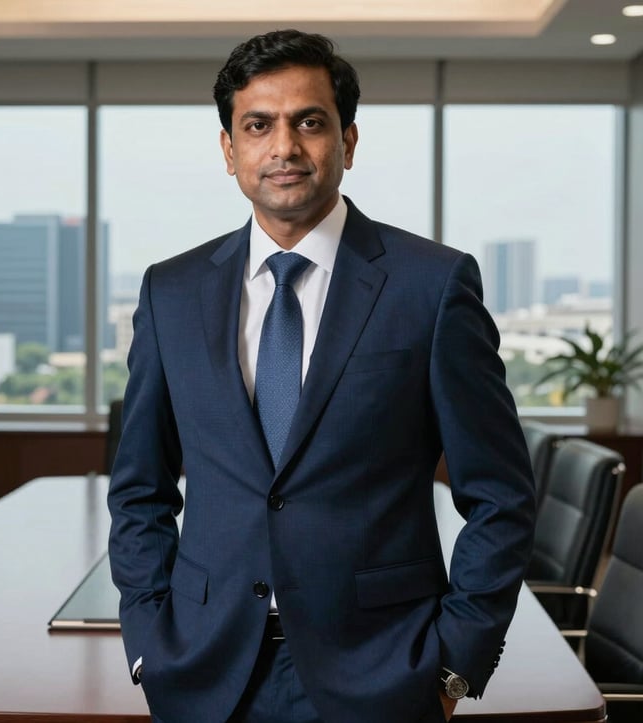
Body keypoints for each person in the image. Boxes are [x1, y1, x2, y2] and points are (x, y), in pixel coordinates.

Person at [108, 29, 535, 723]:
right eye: (258, 125)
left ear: (348, 141)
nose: (284, 147)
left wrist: (455, 664)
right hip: (204, 674)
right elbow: (138, 489)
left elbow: (501, 496)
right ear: (229, 150)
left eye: (309, 122)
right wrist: (148, 640)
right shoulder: (171, 292)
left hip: (383, 674)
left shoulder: (432, 285)